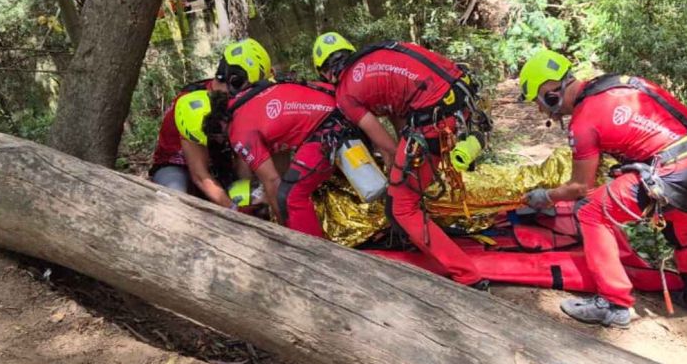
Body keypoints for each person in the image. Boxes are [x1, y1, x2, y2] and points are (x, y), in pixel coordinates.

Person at [517, 49, 687, 328]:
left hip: (673, 170)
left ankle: (612, 303)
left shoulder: (584, 121)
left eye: (539, 101)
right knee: (679, 222)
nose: (540, 110)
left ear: (550, 92)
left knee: (591, 211)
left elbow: (581, 186)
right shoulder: (619, 84)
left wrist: (546, 197)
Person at [313, 32, 487, 286]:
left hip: (433, 118)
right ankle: (416, 235)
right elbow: (400, 120)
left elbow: (385, 142)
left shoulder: (346, 93)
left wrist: (395, 178)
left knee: (401, 206)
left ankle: (468, 276)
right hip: (459, 101)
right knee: (404, 190)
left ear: (324, 73)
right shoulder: (373, 59)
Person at [175, 80, 345, 237]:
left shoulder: (240, 133)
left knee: (290, 196)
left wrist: (284, 231)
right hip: (336, 106)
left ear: (211, 128)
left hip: (329, 128)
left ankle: (314, 253)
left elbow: (272, 181)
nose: (217, 142)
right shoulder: (241, 98)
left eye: (212, 137)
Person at [149, 39, 273, 206]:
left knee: (250, 195)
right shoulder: (192, 105)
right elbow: (200, 176)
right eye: (252, 87)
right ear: (235, 80)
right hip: (178, 165)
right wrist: (233, 210)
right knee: (175, 200)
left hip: (219, 161)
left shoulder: (231, 101)